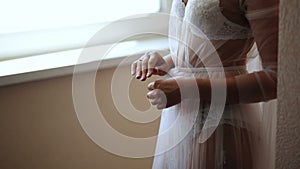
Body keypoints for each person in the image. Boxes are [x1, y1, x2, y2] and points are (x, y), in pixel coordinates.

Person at [131, 0, 278, 168]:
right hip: (181, 116)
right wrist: (169, 62)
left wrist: (191, 89)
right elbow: (206, 44)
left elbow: (274, 79)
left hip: (224, 121)